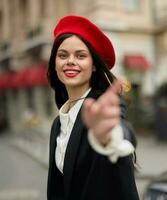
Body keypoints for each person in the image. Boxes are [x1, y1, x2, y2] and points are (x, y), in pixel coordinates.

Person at [47, 15, 139, 200]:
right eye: (63, 55)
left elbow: (122, 129)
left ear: (94, 65)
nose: (70, 61)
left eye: (81, 56)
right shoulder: (58, 123)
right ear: (55, 64)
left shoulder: (101, 108)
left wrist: (108, 138)